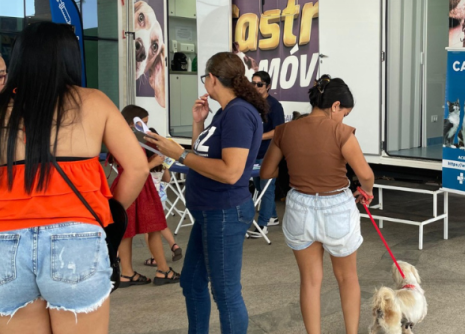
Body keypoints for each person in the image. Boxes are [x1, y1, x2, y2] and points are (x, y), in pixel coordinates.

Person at [0, 22, 149, 333]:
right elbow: (138, 168)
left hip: (6, 241)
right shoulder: (93, 101)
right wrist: (107, 211)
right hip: (77, 238)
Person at [144, 52, 266, 334]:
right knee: (192, 282)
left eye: (204, 79)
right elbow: (204, 152)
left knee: (226, 294)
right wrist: (198, 122)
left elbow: (230, 171)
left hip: (223, 211)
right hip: (210, 212)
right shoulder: (225, 111)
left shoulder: (237, 113)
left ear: (212, 79)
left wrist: (180, 154)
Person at [260, 75, 375, 334]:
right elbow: (366, 175)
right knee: (347, 278)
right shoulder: (341, 132)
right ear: (335, 106)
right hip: (336, 206)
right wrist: (366, 192)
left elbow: (267, 172)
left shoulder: (284, 131)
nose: (343, 118)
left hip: (299, 206)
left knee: (310, 281)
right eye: (344, 113)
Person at [109, 106, 180, 287]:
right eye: (144, 123)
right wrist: (155, 162)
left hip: (125, 184)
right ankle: (163, 270)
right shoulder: (131, 140)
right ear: (134, 123)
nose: (146, 128)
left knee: (126, 230)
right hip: (139, 185)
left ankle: (127, 272)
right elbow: (137, 168)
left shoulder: (119, 137)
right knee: (154, 227)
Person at [249, 71, 285, 237]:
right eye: (253, 83)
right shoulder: (251, 103)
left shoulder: (274, 105)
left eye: (260, 84)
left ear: (268, 86)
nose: (256, 87)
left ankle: (262, 225)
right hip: (253, 152)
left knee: (266, 188)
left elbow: (279, 130)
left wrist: (258, 137)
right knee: (258, 186)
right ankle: (272, 216)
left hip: (269, 152)